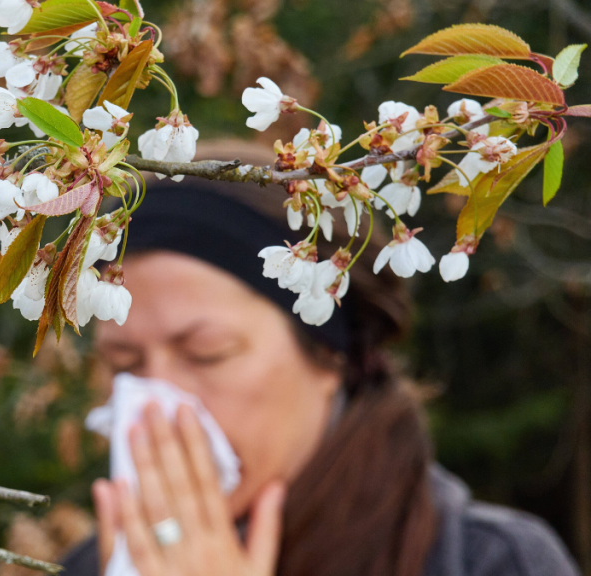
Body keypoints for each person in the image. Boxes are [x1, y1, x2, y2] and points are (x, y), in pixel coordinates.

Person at [59, 177, 581, 576]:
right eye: (124, 366)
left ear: (328, 356)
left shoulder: (483, 561)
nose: (158, 402)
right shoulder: (96, 565)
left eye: (206, 353)